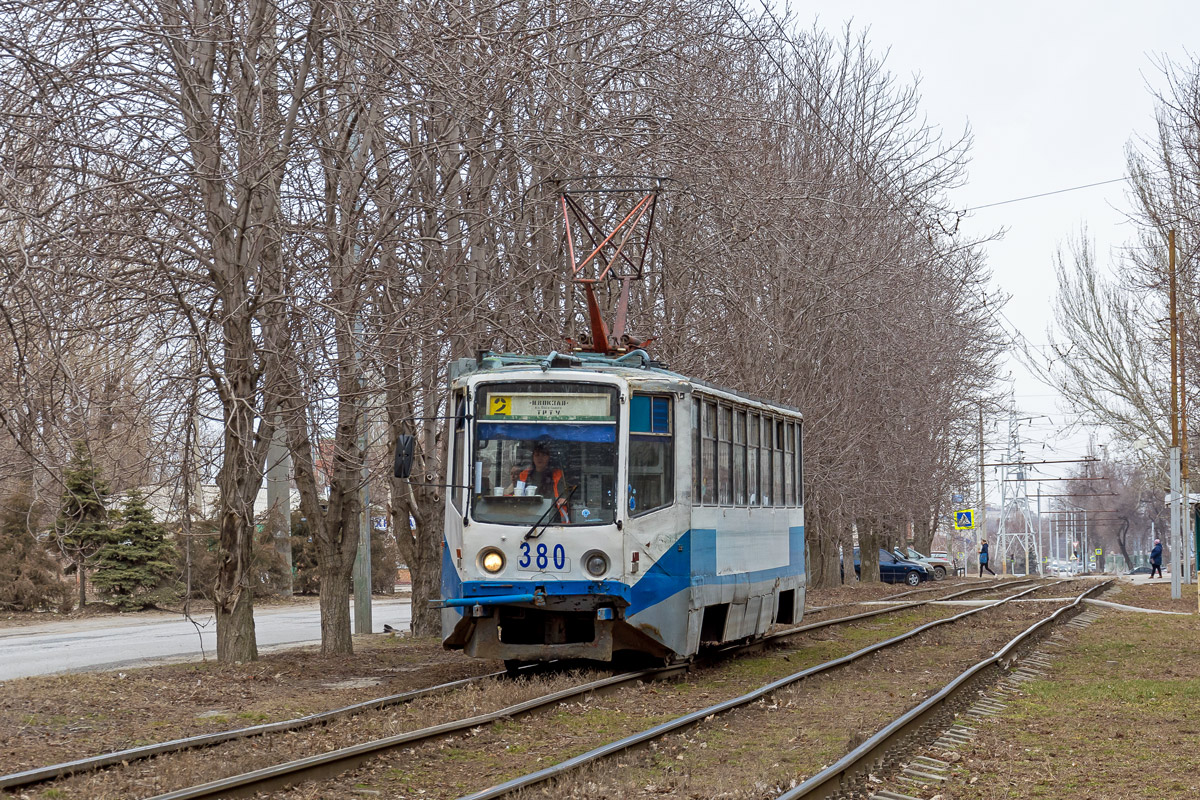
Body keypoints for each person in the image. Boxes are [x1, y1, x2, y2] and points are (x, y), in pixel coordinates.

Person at [512, 442, 569, 522]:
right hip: (526, 517)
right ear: (533, 458)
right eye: (537, 455)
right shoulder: (524, 475)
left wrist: (564, 499)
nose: (540, 458)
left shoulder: (557, 475)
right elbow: (517, 496)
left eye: (543, 455)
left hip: (552, 518)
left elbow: (564, 496)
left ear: (549, 457)